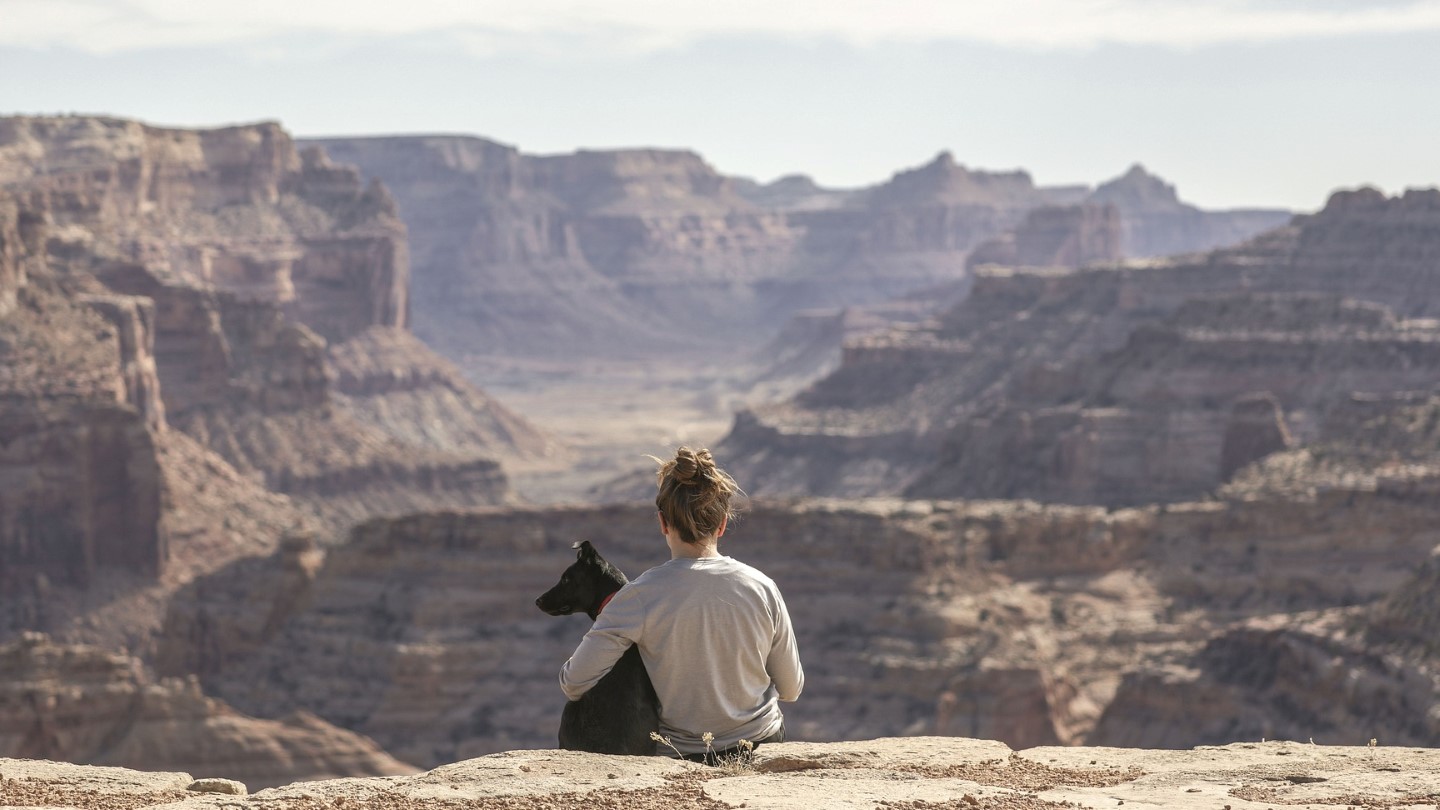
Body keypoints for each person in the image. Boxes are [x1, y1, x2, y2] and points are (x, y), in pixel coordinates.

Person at [559, 446, 804, 762]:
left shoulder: (638, 597)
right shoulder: (762, 588)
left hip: (684, 755)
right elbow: (791, 689)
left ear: (662, 522)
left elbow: (573, 683)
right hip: (761, 745)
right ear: (722, 524)